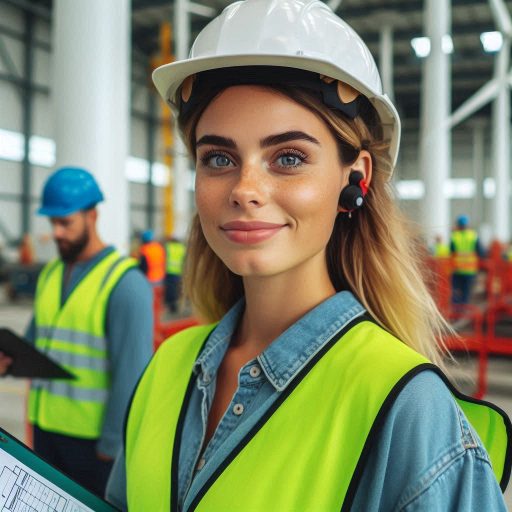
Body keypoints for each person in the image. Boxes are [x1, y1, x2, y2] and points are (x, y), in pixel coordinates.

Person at [106, 1, 511, 510]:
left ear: (355, 176)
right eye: (219, 158)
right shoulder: (166, 369)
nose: (245, 189)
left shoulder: (406, 408)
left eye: (289, 158)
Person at [0, 167, 153, 497]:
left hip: (94, 445)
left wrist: (112, 445)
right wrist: (10, 359)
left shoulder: (126, 284)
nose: (56, 233)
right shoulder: (51, 274)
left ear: (92, 215)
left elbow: (133, 376)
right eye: (52, 223)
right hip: (45, 429)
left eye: (65, 222)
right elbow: (36, 342)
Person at [450, 214, 485, 305]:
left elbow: (451, 251)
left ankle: (456, 310)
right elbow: (481, 252)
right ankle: (464, 310)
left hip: (457, 269)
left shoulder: (454, 236)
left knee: (456, 291)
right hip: (470, 270)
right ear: (467, 225)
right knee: (466, 292)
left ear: (458, 225)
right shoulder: (473, 236)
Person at [164, 236, 186, 312]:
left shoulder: (168, 247)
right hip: (179, 272)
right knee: (178, 289)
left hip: (169, 271)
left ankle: (172, 305)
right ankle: (177, 304)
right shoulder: (182, 247)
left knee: (170, 290)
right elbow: (185, 259)